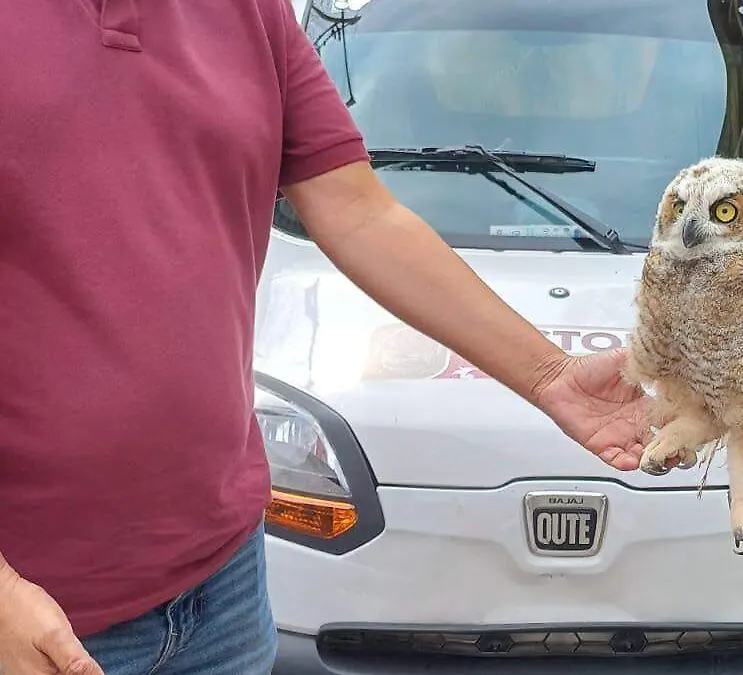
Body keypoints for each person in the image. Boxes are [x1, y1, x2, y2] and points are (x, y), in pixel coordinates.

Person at [0, 2, 648, 674]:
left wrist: (550, 376)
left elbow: (359, 212)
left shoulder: (250, 11)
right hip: (40, 619)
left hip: (223, 591)